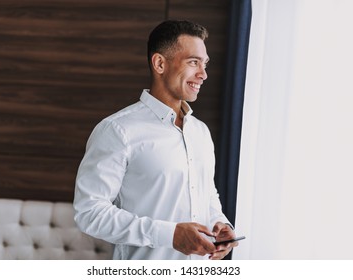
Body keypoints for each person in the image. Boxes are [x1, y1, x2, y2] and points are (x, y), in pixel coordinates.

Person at [73, 19, 238, 260]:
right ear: (160, 63)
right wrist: (168, 234)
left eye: (205, 64)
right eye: (193, 62)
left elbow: (207, 194)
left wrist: (220, 225)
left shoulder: (200, 132)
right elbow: (89, 213)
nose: (203, 74)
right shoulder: (118, 130)